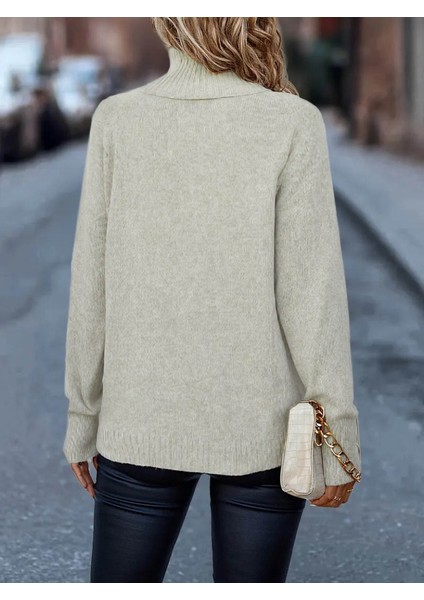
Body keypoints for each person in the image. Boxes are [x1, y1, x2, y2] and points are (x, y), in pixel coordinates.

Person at [62, 17, 362, 583]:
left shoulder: (118, 119)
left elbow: (91, 285)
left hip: (140, 419)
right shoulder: (291, 121)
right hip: (263, 429)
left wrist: (83, 415)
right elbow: (312, 291)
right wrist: (338, 427)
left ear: (167, 23)